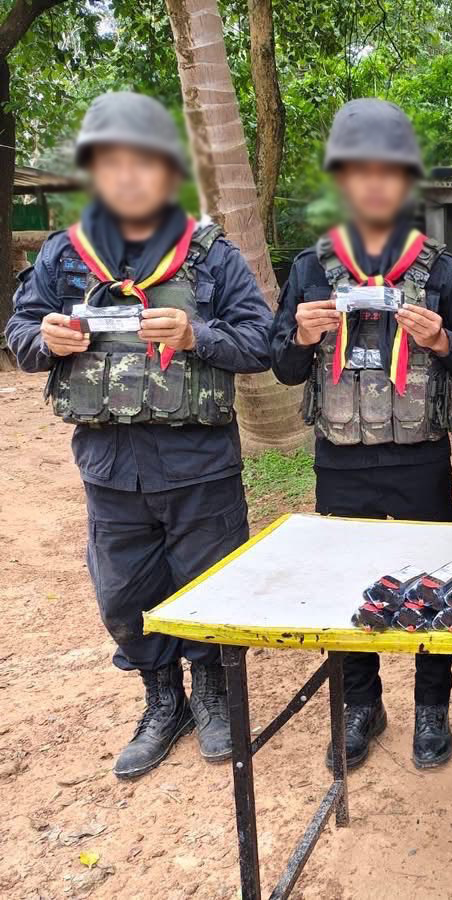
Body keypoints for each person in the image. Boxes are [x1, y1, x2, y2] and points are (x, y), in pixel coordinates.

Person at [5, 92, 272, 779]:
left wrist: (197, 334)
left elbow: (260, 341)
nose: (127, 176)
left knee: (209, 585)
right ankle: (163, 699)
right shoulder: (66, 256)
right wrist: (44, 338)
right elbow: (20, 331)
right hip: (109, 468)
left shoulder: (209, 256)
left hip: (200, 466)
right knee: (124, 595)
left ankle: (210, 691)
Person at [269, 99, 452, 772]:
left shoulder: (439, 269)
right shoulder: (311, 268)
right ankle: (361, 704)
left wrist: (442, 340)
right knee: (346, 586)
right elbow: (283, 365)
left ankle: (431, 706)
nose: (374, 183)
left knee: (431, 587)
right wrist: (302, 335)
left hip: (420, 459)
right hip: (341, 460)